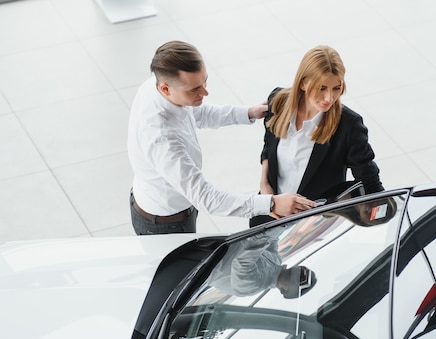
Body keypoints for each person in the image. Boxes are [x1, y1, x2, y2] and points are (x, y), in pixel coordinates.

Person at [128, 40, 315, 235]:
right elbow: (205, 197)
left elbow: (195, 112)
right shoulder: (160, 137)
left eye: (204, 82)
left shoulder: (159, 85)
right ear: (165, 88)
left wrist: (248, 113)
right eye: (194, 89)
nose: (205, 92)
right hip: (165, 222)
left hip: (172, 203)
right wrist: (271, 203)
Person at [250, 45, 384, 227]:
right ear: (303, 83)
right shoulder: (278, 100)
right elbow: (268, 144)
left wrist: (386, 218)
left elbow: (370, 181)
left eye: (336, 88)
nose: (329, 98)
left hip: (311, 229)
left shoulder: (348, 125)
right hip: (268, 214)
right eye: (322, 88)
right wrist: (265, 189)